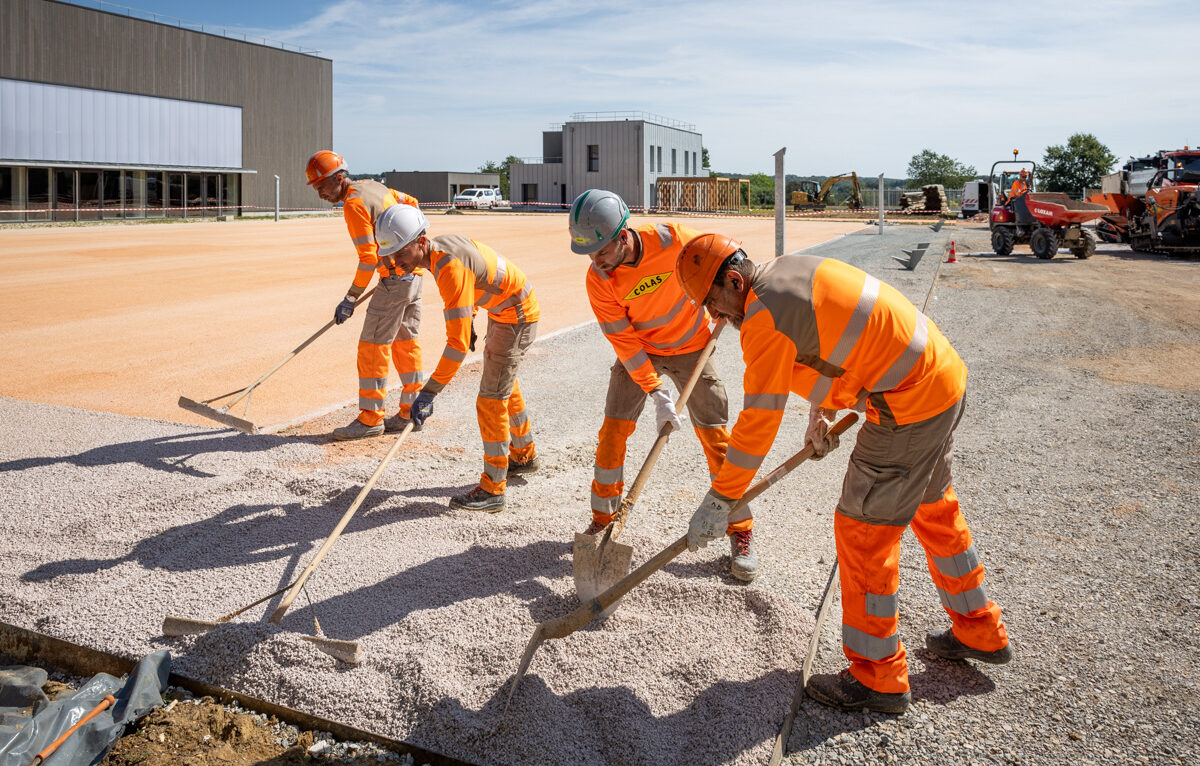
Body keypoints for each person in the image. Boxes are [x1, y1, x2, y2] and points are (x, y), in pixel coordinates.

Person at [675, 234, 1010, 714]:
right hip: (940, 380)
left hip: (906, 404)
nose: (716, 318)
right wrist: (819, 414)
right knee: (934, 509)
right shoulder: (786, 271)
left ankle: (877, 678)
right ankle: (979, 628)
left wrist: (720, 499)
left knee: (863, 532)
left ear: (732, 280)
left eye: (713, 304)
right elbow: (833, 341)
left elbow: (758, 422)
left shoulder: (762, 319)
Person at [568, 190, 757, 581]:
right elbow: (624, 341)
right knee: (612, 433)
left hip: (693, 347)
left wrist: (726, 304)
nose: (595, 261)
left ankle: (740, 531)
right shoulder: (599, 280)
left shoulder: (674, 240)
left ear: (623, 237)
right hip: (644, 350)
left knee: (717, 438)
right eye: (589, 253)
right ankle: (603, 523)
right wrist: (654, 390)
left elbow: (728, 263)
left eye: (600, 251)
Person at [372, 204, 539, 512]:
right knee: (502, 382)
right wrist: (471, 316)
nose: (396, 263)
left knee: (490, 399)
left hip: (516, 314)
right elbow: (476, 279)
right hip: (506, 309)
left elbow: (457, 346)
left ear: (421, 242)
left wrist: (428, 393)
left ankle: (493, 489)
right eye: (390, 257)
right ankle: (524, 454)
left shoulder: (448, 267)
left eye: (401, 254)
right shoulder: (439, 252)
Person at [305, 150, 425, 441]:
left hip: (394, 282)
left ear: (338, 178)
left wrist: (350, 298)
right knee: (406, 344)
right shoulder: (373, 185)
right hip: (414, 276)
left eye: (321, 186)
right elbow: (412, 204)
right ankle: (412, 411)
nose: (320, 193)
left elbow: (368, 259)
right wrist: (409, 245)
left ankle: (370, 419)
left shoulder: (354, 204)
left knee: (372, 347)